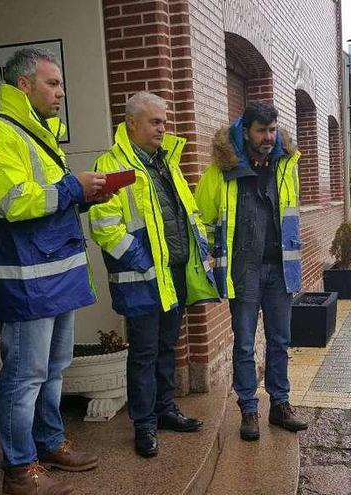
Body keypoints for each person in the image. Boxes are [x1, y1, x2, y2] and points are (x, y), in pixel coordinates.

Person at [0, 48, 105, 495]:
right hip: (26, 280)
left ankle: (48, 443)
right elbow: (14, 203)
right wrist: (71, 186)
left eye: (61, 84)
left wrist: (83, 195)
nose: (61, 92)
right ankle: (19, 469)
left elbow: (47, 199)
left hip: (55, 276)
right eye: (52, 83)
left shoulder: (40, 134)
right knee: (25, 374)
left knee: (54, 368)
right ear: (23, 85)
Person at [88, 91, 219, 458]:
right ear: (132, 123)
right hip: (142, 278)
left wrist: (201, 248)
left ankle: (165, 411)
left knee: (167, 347)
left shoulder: (167, 162)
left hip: (175, 274)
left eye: (165, 121)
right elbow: (104, 226)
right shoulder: (111, 165)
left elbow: (186, 213)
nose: (163, 128)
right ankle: (143, 425)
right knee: (143, 353)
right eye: (155, 121)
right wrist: (142, 259)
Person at [195, 101, 308, 442]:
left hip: (279, 268)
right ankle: (248, 408)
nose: (268, 137)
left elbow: (291, 213)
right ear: (246, 132)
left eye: (272, 130)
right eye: (261, 130)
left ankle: (280, 404)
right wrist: (213, 260)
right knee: (244, 344)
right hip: (243, 270)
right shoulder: (221, 171)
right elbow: (201, 218)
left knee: (280, 341)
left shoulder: (286, 165)